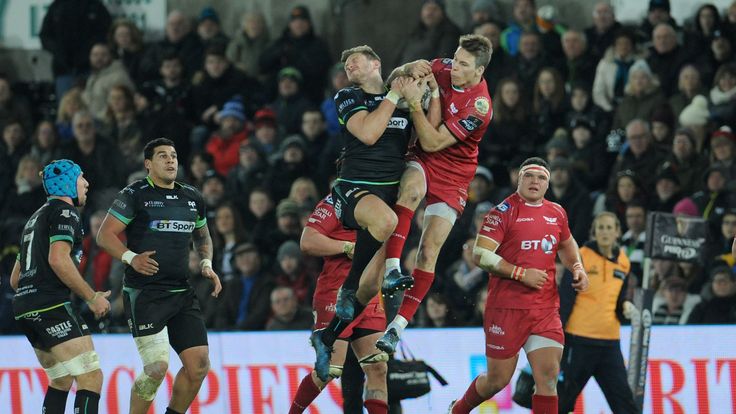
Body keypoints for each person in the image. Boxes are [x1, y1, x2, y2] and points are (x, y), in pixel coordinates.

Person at [374, 34, 494, 352]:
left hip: (454, 173)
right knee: (411, 191)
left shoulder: (479, 107)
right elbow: (393, 83)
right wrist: (406, 67)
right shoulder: (441, 67)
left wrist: (418, 102)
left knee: (429, 252)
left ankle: (397, 328)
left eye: (464, 64)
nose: (454, 67)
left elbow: (433, 141)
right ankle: (391, 270)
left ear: (479, 72)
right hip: (425, 160)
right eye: (455, 59)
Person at [448, 157, 589, 414]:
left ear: (548, 184)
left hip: (544, 309)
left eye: (542, 177)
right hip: (506, 309)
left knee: (548, 377)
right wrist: (520, 273)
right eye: (529, 175)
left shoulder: (556, 212)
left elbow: (567, 244)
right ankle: (458, 409)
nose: (535, 181)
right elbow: (481, 254)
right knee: (497, 381)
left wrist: (577, 267)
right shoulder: (502, 212)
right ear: (518, 179)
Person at [96, 138, 222, 414]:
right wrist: (131, 258)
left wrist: (206, 263)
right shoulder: (134, 194)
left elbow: (203, 235)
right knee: (156, 368)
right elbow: (104, 235)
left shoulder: (192, 196)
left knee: (199, 365)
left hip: (181, 292)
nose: (170, 160)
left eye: (174, 156)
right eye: (162, 156)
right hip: (145, 294)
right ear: (148, 164)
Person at [310, 45, 412, 382]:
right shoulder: (347, 97)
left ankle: (327, 337)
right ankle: (346, 290)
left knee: (369, 289)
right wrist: (396, 94)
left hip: (388, 194)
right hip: (354, 189)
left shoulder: (402, 99)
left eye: (355, 60)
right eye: (345, 64)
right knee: (387, 221)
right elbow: (368, 133)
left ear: (376, 64)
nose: (349, 66)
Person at [10, 159, 110, 414]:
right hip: (49, 304)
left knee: (62, 379)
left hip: (24, 306)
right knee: (91, 376)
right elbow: (58, 259)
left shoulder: (35, 218)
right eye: (81, 178)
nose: (86, 183)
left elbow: (14, 280)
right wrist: (91, 297)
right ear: (67, 183)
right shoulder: (65, 213)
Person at [291, 194, 388, 414]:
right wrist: (348, 247)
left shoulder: (385, 200)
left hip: (371, 293)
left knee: (378, 367)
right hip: (336, 293)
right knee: (330, 370)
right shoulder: (336, 202)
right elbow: (308, 241)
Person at [557, 212, 638, 413]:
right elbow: (565, 297)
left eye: (609, 228)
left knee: (624, 403)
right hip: (578, 341)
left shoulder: (623, 261)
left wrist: (626, 305)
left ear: (618, 232)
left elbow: (619, 298)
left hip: (610, 343)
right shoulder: (580, 256)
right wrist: (557, 335)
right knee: (562, 401)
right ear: (594, 231)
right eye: (601, 227)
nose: (605, 232)